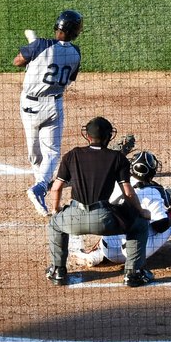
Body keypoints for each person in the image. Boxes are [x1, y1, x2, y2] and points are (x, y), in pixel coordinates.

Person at [74, 146, 171, 273]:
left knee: (113, 218)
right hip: (133, 254)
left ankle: (95, 254)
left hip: (109, 248)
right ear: (152, 172)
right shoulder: (154, 191)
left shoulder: (115, 181)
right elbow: (161, 225)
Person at [44, 117, 153, 288]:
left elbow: (56, 188)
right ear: (109, 137)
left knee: (55, 225)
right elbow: (128, 193)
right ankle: (133, 274)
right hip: (104, 220)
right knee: (139, 224)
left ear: (87, 136)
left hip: (74, 218)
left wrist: (56, 210)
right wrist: (140, 212)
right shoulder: (118, 158)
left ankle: (58, 271)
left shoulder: (72, 155)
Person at [14, 9, 83, 216]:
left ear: (57, 28)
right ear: (75, 33)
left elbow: (17, 61)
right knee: (51, 152)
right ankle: (40, 186)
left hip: (30, 106)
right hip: (54, 105)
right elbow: (69, 80)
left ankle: (39, 185)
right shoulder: (76, 53)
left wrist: (32, 59)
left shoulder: (40, 45)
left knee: (34, 152)